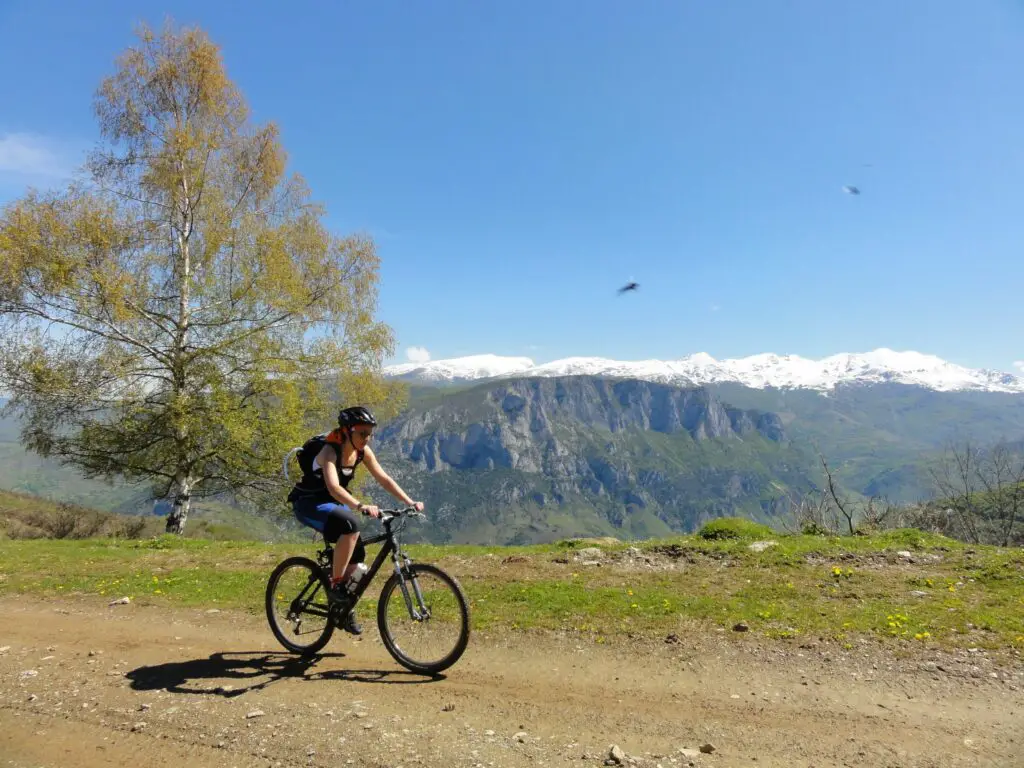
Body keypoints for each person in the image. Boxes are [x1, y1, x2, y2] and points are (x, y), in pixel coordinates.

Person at [287, 405, 424, 635]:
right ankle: (335, 586)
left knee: (358, 556)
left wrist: (409, 502)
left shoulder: (362, 451)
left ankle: (343, 608)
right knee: (350, 526)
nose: (366, 438)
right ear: (347, 431)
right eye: (362, 433)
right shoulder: (330, 451)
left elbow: (384, 478)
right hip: (309, 504)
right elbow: (333, 487)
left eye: (369, 433)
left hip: (333, 504)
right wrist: (359, 505)